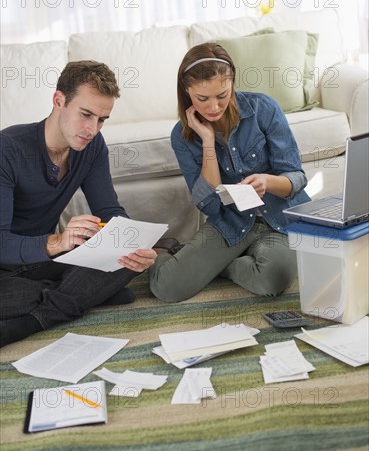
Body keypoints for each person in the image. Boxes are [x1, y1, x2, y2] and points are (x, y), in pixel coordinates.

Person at [0, 60, 157, 347]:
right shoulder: (7, 149)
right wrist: (58, 242)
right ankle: (75, 296)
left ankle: (37, 315)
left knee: (124, 263)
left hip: (41, 265)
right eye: (85, 114)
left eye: (101, 119)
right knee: (24, 293)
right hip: (6, 264)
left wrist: (135, 244)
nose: (92, 129)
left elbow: (110, 212)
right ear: (59, 100)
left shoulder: (92, 146)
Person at [149, 43, 311, 302]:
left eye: (222, 94)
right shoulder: (182, 137)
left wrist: (267, 181)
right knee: (166, 287)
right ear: (187, 92)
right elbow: (209, 206)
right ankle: (169, 252)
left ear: (232, 83)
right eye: (203, 99)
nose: (214, 107)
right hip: (231, 223)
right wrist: (207, 141)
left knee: (274, 277)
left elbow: (296, 178)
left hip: (279, 222)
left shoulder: (264, 109)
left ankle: (222, 266)